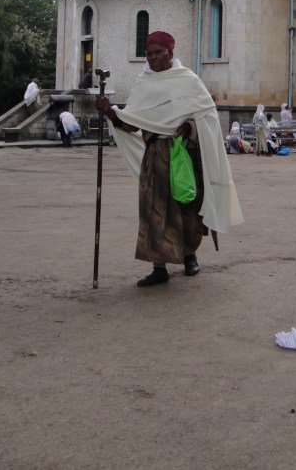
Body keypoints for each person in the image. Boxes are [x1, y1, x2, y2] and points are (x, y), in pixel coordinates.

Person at [96, 31, 243, 287]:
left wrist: (187, 128)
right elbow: (133, 122)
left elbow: (206, 115)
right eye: (149, 53)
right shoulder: (143, 84)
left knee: (187, 208)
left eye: (158, 52)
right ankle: (159, 266)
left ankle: (189, 256)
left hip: (183, 155)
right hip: (154, 159)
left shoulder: (187, 80)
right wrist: (110, 111)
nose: (153, 58)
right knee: (154, 212)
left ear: (170, 53)